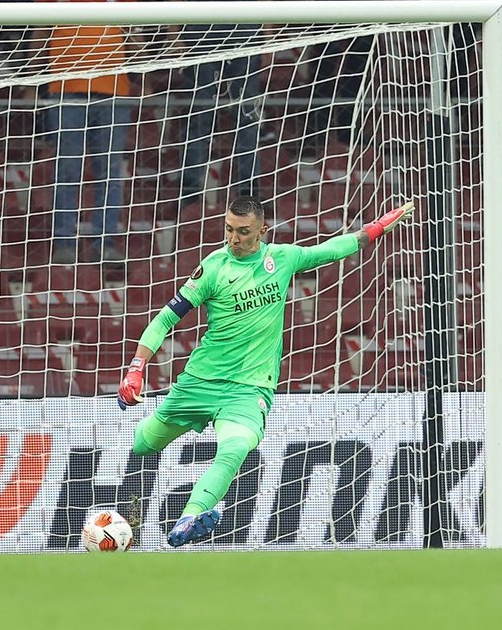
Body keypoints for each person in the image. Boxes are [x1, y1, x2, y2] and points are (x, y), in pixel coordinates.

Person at [117, 195, 415, 548]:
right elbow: (165, 319)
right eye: (229, 229)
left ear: (262, 231)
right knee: (144, 444)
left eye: (243, 231)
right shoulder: (213, 268)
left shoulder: (283, 259)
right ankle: (175, 480)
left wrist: (375, 229)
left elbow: (331, 250)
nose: (234, 238)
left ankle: (189, 518)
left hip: (249, 389)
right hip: (200, 382)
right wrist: (136, 368)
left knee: (235, 448)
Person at [34, 0, 136, 264]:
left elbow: (134, 30)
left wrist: (143, 74)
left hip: (113, 91)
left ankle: (105, 242)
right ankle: (64, 241)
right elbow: (40, 27)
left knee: (109, 172)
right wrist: (31, 79)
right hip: (66, 88)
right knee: (68, 169)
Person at [167, 1, 263, 210]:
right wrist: (175, 33)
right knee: (200, 112)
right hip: (202, 22)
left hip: (244, 23)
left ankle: (248, 187)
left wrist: (268, 31)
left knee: (246, 113)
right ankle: (190, 186)